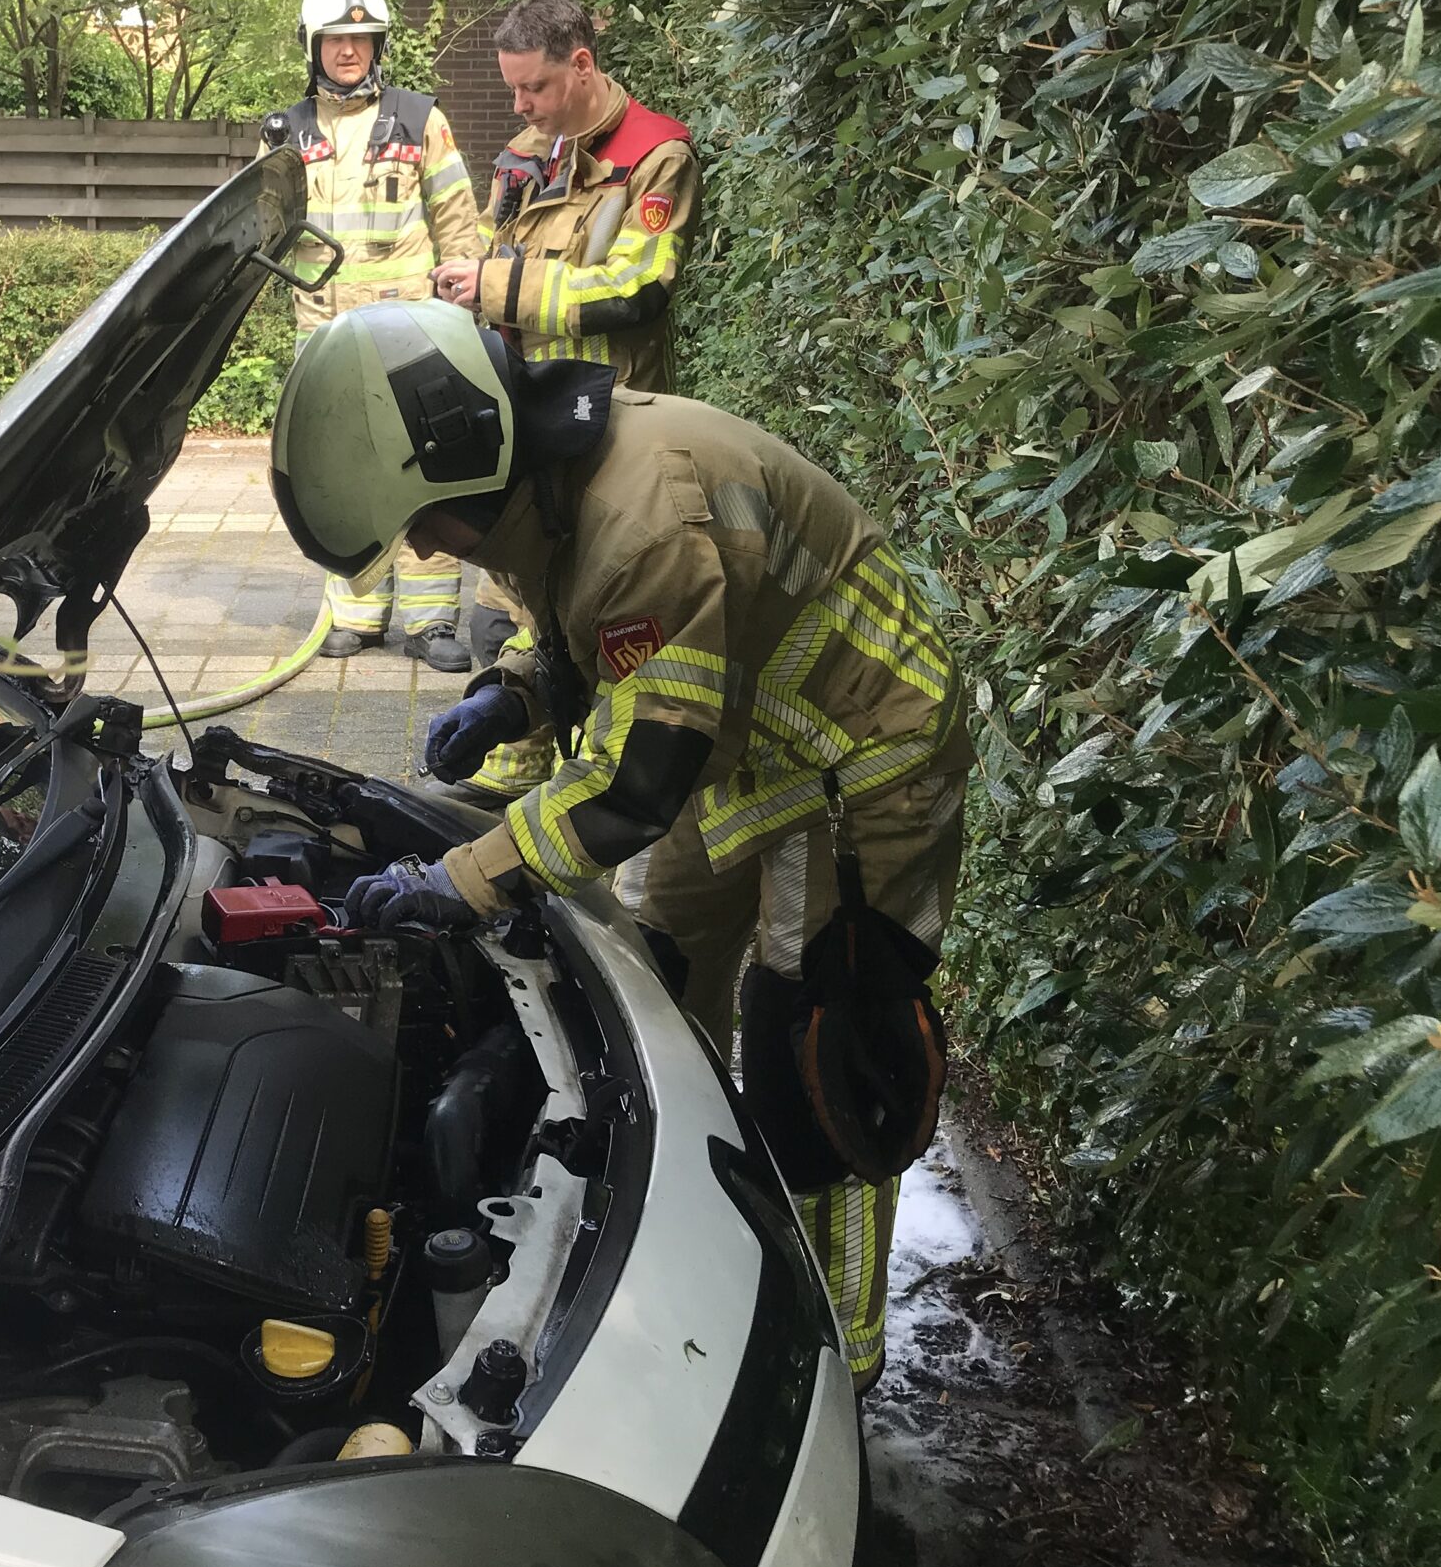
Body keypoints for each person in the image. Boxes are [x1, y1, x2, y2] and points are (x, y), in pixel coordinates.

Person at [268, 299, 967, 1393]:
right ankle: (687, 1255)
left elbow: (630, 791)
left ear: (471, 472)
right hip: (740, 755)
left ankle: (837, 1364)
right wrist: (510, 697)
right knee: (657, 999)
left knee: (812, 1066)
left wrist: (458, 880)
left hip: (853, 765)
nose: (417, 548)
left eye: (419, 523)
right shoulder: (553, 476)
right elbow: (594, 646)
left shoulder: (642, 518)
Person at [432, 0, 706, 798]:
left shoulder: (658, 157)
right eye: (512, 88)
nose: (520, 107)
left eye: (534, 89)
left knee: (590, 628)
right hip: (523, 424)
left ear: (581, 65)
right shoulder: (525, 152)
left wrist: (497, 287)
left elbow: (637, 289)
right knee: (503, 617)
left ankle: (594, 804)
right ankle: (514, 793)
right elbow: (491, 254)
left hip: (608, 433)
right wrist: (459, 288)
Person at [259, 0, 485, 673]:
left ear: (377, 43)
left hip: (412, 333)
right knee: (342, 471)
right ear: (314, 46)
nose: (349, 50)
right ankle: (355, 612)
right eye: (336, 38)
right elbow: (263, 232)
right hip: (323, 336)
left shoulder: (421, 120)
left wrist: (468, 307)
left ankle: (429, 621)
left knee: (427, 465)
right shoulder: (285, 131)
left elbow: (457, 220)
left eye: (361, 37)